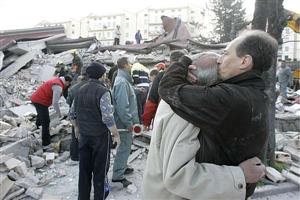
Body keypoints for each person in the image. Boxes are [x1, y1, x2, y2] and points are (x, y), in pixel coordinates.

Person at [156, 30, 278, 199]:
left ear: (244, 61)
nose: (220, 60)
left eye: (226, 54)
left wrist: (183, 60)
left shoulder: (228, 98)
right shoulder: (257, 94)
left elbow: (167, 88)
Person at [70, 62, 120, 200]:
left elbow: (72, 114)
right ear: (101, 75)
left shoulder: (79, 89)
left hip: (84, 137)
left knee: (84, 172)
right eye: (104, 74)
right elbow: (107, 118)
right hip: (100, 138)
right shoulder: (103, 91)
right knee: (100, 172)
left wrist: (76, 128)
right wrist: (116, 135)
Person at [111, 57, 139, 187]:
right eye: (130, 63)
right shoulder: (122, 82)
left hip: (124, 121)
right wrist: (129, 124)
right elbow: (122, 106)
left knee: (126, 146)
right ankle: (118, 175)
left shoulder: (123, 81)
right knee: (124, 146)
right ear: (125, 65)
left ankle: (122, 166)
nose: (131, 65)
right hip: (123, 122)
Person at [142, 50, 186, 131]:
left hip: (161, 119)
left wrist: (146, 122)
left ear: (170, 61)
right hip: (183, 122)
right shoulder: (189, 76)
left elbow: (152, 100)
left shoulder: (161, 76)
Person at [31, 75, 72, 151]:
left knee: (41, 114)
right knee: (46, 122)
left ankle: (37, 128)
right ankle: (46, 144)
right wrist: (59, 113)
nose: (68, 86)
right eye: (68, 84)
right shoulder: (58, 87)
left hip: (37, 98)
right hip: (40, 101)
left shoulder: (57, 80)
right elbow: (55, 103)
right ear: (67, 81)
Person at [66, 66, 88, 163]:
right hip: (90, 117)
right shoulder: (96, 86)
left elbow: (68, 102)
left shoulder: (74, 88)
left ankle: (75, 156)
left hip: (76, 115)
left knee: (75, 134)